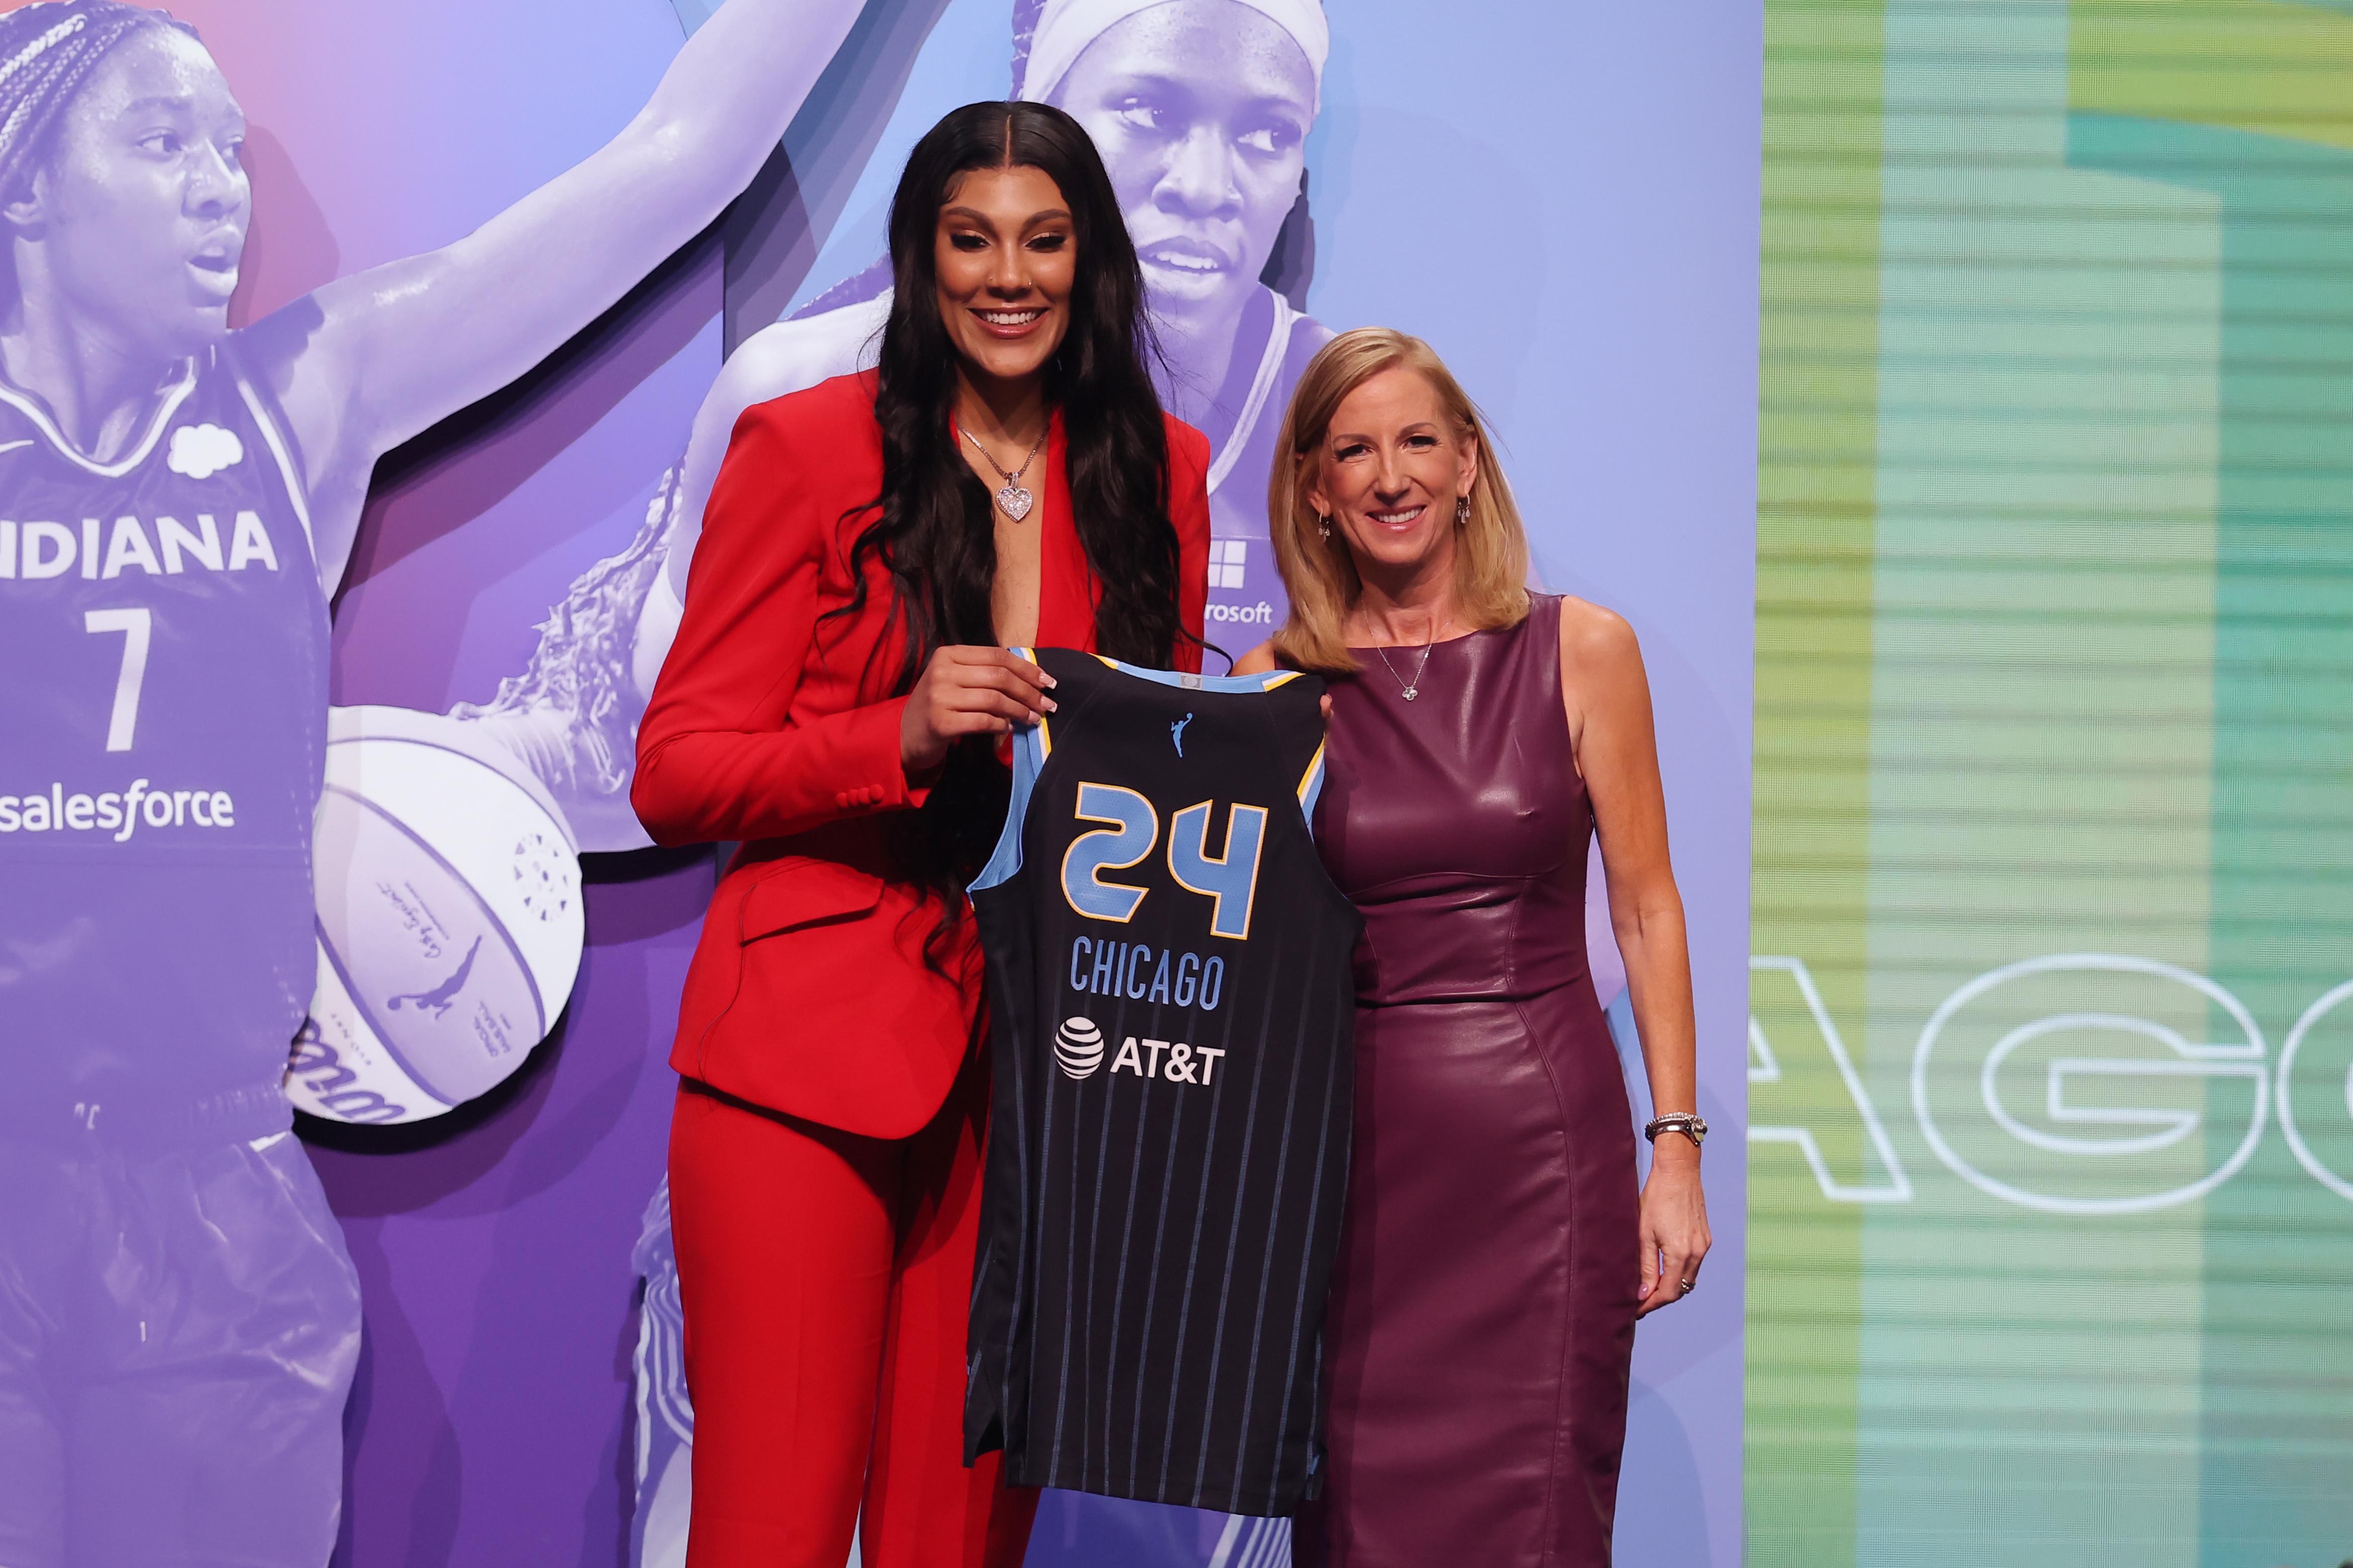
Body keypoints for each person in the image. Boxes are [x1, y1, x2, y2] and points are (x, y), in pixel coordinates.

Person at [0, 0, 867, 1561]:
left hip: (215, 1187)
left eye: (227, 148)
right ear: (24, 188)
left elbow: (680, 164)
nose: (219, 186)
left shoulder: (297, 398)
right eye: (156, 142)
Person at [629, 100, 1212, 1568]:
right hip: (802, 1056)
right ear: (919, 257)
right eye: (969, 238)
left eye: (1041, 238)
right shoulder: (806, 446)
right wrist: (892, 731)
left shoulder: (1165, 472)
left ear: (1088, 263)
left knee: (958, 1541)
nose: (1005, 275)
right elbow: (678, 771)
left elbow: (1164, 776)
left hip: (1047, 1071)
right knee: (770, 1524)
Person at [1237, 328, 1713, 1567]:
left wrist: (1674, 1150)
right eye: (1354, 450)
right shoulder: (1269, 685)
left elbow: (1647, 909)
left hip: (1538, 1164)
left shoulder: (1581, 647)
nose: (1389, 476)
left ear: (1465, 466)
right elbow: (1243, 966)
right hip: (1349, 1179)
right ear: (1314, 491)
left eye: (1414, 441)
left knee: (1534, 1522)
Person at [633, 0, 1329, 703]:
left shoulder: (1203, 451)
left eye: (1270, 132)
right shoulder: (792, 389)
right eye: (1147, 112)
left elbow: (1148, 744)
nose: (1203, 187)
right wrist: (898, 740)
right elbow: (679, 748)